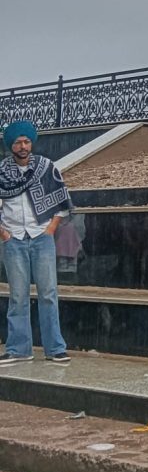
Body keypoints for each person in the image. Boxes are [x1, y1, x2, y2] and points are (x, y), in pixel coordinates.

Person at [0, 120, 72, 364]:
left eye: (26, 141)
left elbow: (62, 201)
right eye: (18, 142)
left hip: (41, 237)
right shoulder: (1, 172)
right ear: (11, 145)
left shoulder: (46, 167)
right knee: (18, 296)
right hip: (13, 240)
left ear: (32, 143)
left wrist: (50, 229)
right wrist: (3, 234)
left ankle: (55, 348)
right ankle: (19, 349)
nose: (23, 146)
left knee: (48, 293)